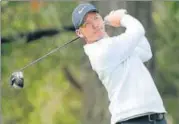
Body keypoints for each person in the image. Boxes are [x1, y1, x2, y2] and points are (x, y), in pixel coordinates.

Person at [72, 3, 167, 124]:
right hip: (132, 120)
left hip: (156, 117)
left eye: (96, 18)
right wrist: (122, 18)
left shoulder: (114, 47)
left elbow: (146, 52)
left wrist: (122, 22)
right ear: (80, 33)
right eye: (87, 24)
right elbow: (138, 30)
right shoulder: (101, 51)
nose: (95, 25)